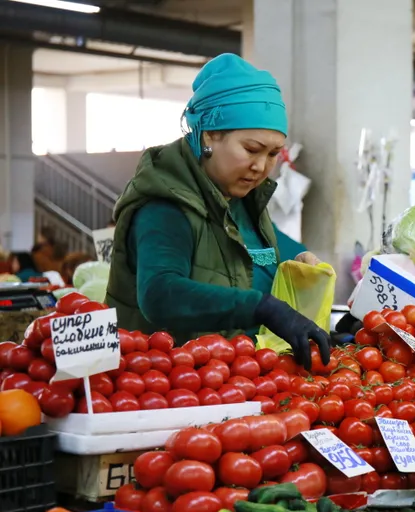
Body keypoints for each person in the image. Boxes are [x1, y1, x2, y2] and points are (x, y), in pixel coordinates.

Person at [106, 53, 330, 369]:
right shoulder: (164, 207)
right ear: (209, 136)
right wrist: (261, 307)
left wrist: (299, 263)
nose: (261, 166)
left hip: (236, 377)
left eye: (273, 154)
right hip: (167, 380)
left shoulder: (244, 200)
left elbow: (264, 254)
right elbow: (160, 294)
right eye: (251, 149)